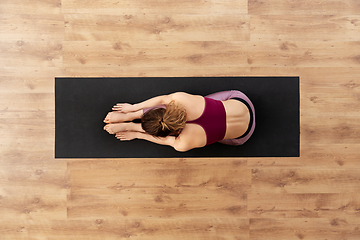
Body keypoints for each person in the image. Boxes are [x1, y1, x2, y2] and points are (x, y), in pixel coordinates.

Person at [103, 90, 255, 152]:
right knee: (169, 105)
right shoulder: (181, 100)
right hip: (241, 104)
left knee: (167, 106)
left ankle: (131, 121)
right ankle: (130, 118)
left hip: (241, 136)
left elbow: (162, 102)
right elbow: (163, 100)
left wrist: (136, 132)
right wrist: (132, 110)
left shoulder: (183, 144)